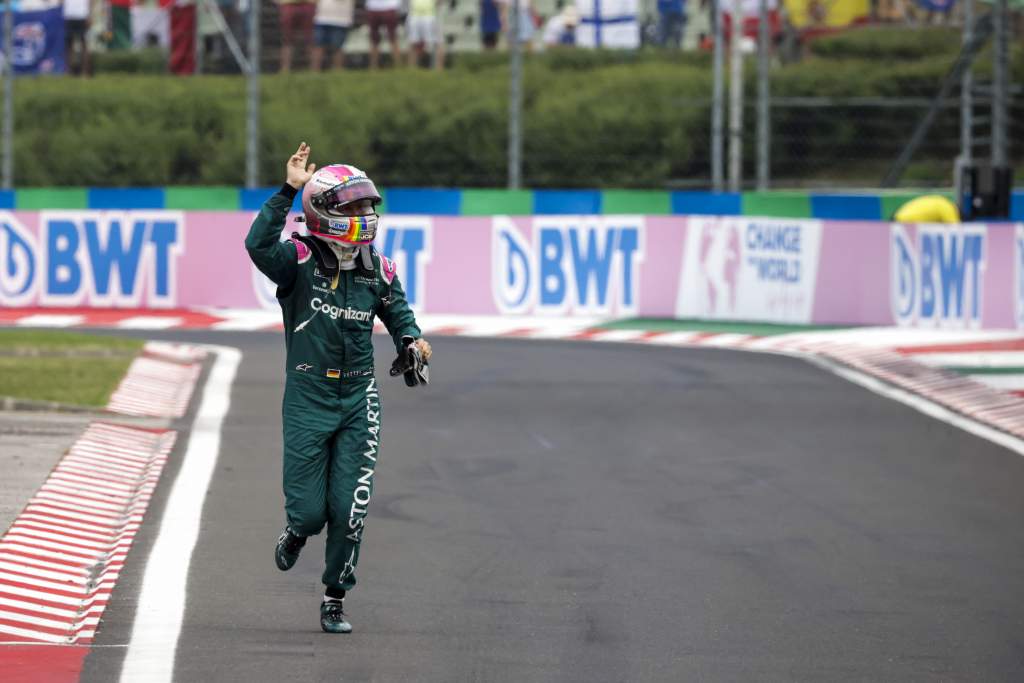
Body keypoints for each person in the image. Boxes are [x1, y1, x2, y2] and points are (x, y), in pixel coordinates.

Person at [244, 142, 432, 634]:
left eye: (368, 204)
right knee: (309, 513)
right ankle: (295, 532)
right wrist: (288, 189)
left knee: (351, 509)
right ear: (325, 210)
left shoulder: (379, 267)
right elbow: (258, 245)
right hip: (307, 396)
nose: (365, 213)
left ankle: (334, 598)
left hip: (359, 397)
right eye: (354, 206)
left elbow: (400, 315)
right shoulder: (299, 259)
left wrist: (412, 343)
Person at [312, 0, 354, 70]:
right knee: (318, 46)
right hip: (321, 18)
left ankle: (337, 71)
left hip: (341, 20)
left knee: (338, 47)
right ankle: (315, 71)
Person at [278, 0, 316, 72]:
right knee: (287, 39)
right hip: (288, 4)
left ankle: (313, 70)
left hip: (309, 4)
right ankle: (285, 69)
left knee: (311, 39)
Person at [366, 0, 402, 68]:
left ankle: (398, 66)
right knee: (375, 40)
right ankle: (373, 66)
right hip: (375, 7)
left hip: (388, 6)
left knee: (392, 38)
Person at [406, 0, 438, 67]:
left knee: (432, 43)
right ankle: (412, 68)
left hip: (429, 14)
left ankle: (433, 68)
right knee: (413, 42)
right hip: (414, 14)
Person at [64, 0, 91, 76]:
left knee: (82, 45)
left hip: (78, 15)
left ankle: (85, 71)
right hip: (71, 14)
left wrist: (89, 15)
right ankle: (70, 71)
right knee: (70, 45)